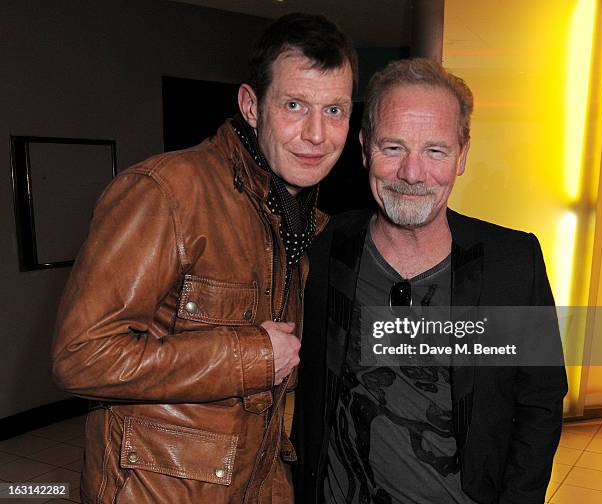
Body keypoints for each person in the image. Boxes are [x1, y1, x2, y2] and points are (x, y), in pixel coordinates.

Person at [51, 13, 356, 504]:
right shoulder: (167, 192)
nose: (317, 134)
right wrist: (251, 355)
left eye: (335, 110)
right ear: (251, 106)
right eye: (295, 105)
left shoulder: (302, 220)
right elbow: (81, 357)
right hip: (156, 490)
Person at [292, 58, 567, 504]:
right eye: (393, 148)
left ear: (462, 156)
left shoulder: (514, 263)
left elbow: (540, 402)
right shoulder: (321, 248)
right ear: (364, 148)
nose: (412, 174)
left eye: (435, 151)